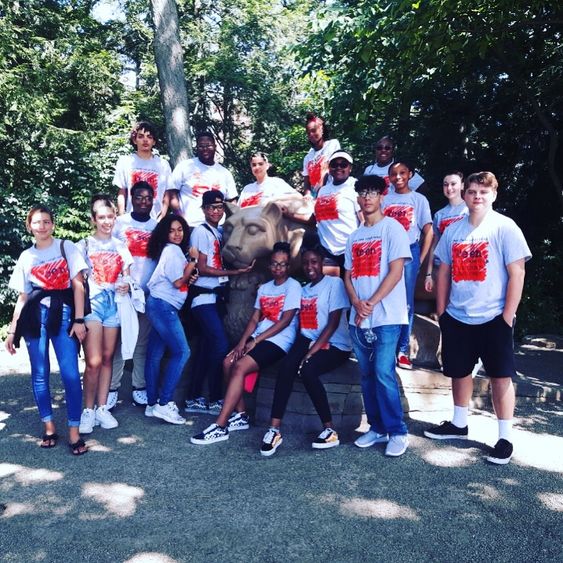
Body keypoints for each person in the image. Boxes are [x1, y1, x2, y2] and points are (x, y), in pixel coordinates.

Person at [424, 171, 531, 465]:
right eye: (472, 192)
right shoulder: (454, 230)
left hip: (494, 316)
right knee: (459, 372)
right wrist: (443, 311)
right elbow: (443, 270)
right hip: (458, 316)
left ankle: (505, 437)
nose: (477, 197)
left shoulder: (505, 227)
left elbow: (517, 272)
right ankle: (459, 423)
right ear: (465, 195)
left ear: (494, 195)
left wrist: (507, 316)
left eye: (483, 192)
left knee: (500, 376)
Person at [190, 242, 301, 445]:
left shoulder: (293, 286)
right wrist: (242, 343)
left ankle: (221, 425)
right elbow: (254, 319)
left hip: (279, 341)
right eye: (275, 264)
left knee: (240, 366)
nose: (278, 268)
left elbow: (285, 320)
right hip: (258, 337)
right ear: (269, 265)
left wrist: (255, 341)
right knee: (228, 362)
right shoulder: (265, 288)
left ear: (289, 266)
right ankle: (241, 415)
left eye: (283, 264)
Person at [5, 206, 88, 455]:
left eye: (46, 222)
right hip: (33, 317)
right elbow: (23, 297)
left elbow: (79, 286)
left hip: (63, 315)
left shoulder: (67, 248)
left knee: (71, 374)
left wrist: (79, 319)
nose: (42, 226)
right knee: (39, 373)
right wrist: (11, 330)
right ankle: (49, 427)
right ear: (29, 226)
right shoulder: (25, 257)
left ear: (53, 224)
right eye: (37, 222)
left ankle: (74, 431)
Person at [260, 240, 352, 456]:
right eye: (306, 263)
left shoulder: (334, 284)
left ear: (321, 263)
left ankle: (329, 430)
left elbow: (332, 323)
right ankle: (274, 430)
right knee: (286, 368)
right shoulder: (303, 289)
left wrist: (310, 354)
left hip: (334, 343)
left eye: (314, 262)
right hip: (307, 339)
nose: (310, 267)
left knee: (308, 371)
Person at [344, 175, 412, 457]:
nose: (367, 198)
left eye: (372, 192)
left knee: (384, 373)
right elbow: (347, 274)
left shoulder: (393, 229)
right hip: (358, 318)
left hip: (387, 316)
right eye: (362, 193)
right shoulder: (354, 236)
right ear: (358, 199)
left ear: (382, 196)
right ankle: (376, 427)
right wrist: (357, 303)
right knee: (366, 376)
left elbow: (397, 271)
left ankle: (397, 431)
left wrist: (370, 302)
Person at [184, 190, 255, 414]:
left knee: (206, 347)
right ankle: (215, 397)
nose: (216, 211)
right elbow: (202, 268)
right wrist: (235, 272)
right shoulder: (200, 233)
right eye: (211, 207)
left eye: (219, 207)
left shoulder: (220, 231)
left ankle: (194, 397)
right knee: (220, 344)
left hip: (216, 298)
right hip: (203, 296)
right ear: (204, 209)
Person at [77, 196, 133, 434]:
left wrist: (126, 284)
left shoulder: (121, 246)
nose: (107, 221)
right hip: (93, 304)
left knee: (109, 358)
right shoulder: (83, 245)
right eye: (101, 217)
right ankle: (87, 410)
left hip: (115, 304)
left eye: (110, 217)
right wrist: (79, 316)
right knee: (94, 361)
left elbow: (128, 275)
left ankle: (102, 408)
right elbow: (77, 282)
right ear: (93, 219)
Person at [144, 215, 199, 424]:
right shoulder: (173, 250)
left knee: (155, 354)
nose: (177, 234)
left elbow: (181, 280)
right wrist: (193, 261)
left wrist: (189, 275)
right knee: (183, 351)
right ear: (165, 234)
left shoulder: (171, 252)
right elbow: (177, 283)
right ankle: (164, 403)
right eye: (172, 230)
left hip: (158, 304)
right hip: (163, 307)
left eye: (180, 230)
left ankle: (151, 404)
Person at [108, 181, 158, 409]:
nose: (143, 202)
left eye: (148, 198)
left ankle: (139, 386)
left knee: (141, 342)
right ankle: (111, 387)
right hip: (121, 292)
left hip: (145, 293)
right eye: (139, 197)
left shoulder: (157, 226)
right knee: (119, 341)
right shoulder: (120, 223)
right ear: (131, 199)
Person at [381, 160, 432, 369]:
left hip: (409, 251)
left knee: (406, 303)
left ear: (410, 174)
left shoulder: (418, 199)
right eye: (394, 174)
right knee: (384, 297)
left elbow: (428, 231)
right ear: (389, 177)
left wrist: (420, 259)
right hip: (386, 253)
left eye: (403, 172)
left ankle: (402, 351)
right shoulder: (384, 200)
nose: (398, 177)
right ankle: (384, 348)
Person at [283, 150, 361, 275]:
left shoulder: (356, 187)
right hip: (327, 249)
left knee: (352, 289)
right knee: (330, 289)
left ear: (350, 168)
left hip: (351, 248)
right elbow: (314, 219)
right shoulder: (323, 191)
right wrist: (288, 215)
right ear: (329, 168)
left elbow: (364, 220)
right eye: (334, 165)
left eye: (343, 165)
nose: (338, 168)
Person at [170, 131, 238, 227]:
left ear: (215, 146)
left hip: (218, 228)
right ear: (196, 148)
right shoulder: (184, 166)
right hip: (189, 226)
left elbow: (232, 202)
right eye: (201, 146)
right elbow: (172, 195)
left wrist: (229, 224)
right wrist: (181, 219)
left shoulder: (225, 173)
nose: (205, 149)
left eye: (208, 145)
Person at [113, 120, 172, 219]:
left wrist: (162, 216)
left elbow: (168, 193)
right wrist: (122, 216)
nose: (145, 140)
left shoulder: (163, 164)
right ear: (134, 140)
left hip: (155, 219)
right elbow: (122, 192)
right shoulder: (125, 162)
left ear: (154, 141)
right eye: (140, 136)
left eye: (149, 137)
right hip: (130, 218)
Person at [424, 171, 468, 293]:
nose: (449, 188)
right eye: (445, 184)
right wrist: (429, 274)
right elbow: (434, 245)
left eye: (453, 184)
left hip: (465, 267)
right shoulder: (439, 215)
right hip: (442, 267)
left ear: (462, 186)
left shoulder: (470, 211)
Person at [302, 113, 341, 199]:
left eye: (314, 130)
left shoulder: (332, 144)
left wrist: (321, 189)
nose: (311, 135)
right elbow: (306, 180)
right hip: (314, 198)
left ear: (322, 129)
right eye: (308, 133)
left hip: (332, 194)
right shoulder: (308, 157)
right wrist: (307, 195)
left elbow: (329, 169)